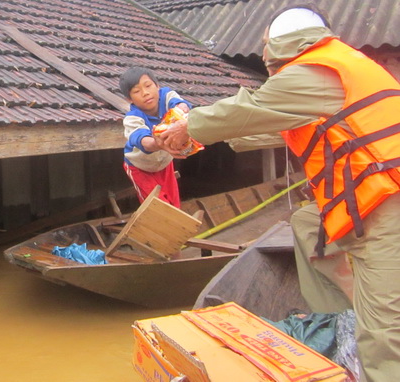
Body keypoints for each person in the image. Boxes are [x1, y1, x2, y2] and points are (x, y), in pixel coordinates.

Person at [161, 5, 400, 381]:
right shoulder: (328, 75)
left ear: (283, 45)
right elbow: (270, 126)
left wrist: (190, 127)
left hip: (389, 208)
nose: (263, 53)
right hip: (366, 205)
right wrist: (200, 141)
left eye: (266, 46)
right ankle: (342, 312)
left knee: (386, 332)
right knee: (307, 223)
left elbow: (254, 107)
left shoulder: (316, 71)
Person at [119, 66, 191, 207]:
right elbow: (143, 141)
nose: (145, 93)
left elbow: (180, 103)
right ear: (129, 99)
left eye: (148, 86)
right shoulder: (132, 118)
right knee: (157, 207)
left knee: (174, 204)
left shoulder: (167, 95)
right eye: (137, 91)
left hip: (165, 164)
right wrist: (158, 144)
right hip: (139, 167)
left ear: (157, 86)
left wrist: (182, 110)